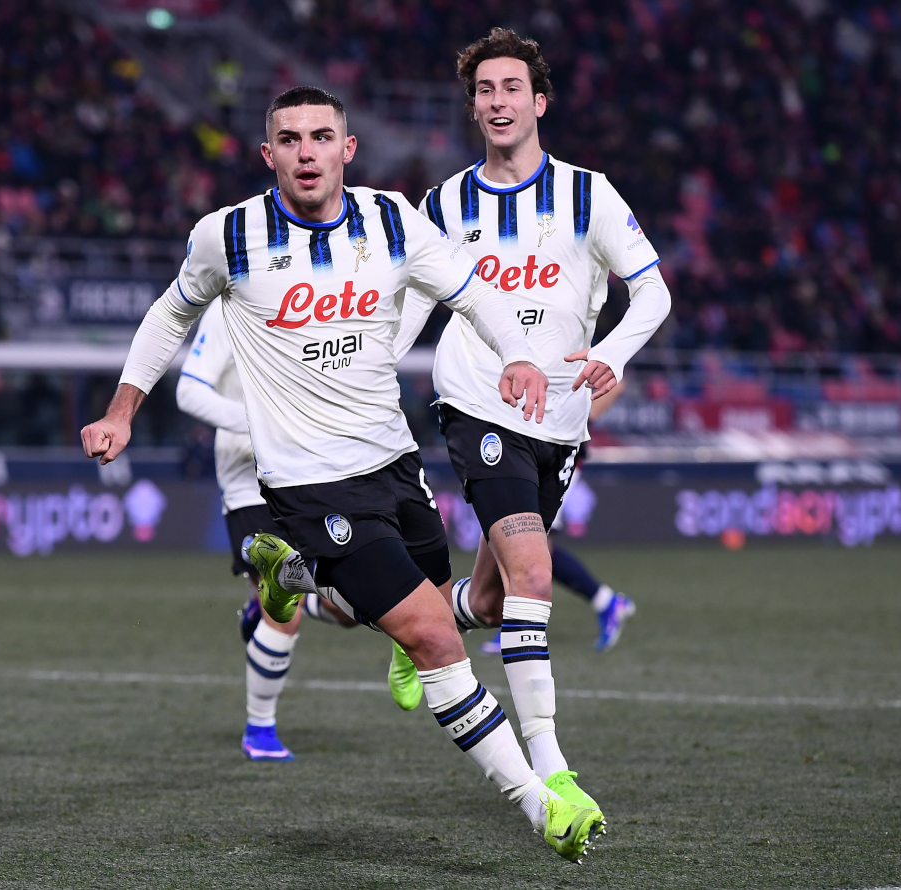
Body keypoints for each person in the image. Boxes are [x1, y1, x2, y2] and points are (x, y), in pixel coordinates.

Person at [82, 85, 605, 861]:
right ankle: (539, 803)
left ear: (346, 150)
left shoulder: (393, 220)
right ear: (269, 155)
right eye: (288, 139)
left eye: (320, 136)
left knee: (423, 598)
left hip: (395, 466)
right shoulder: (228, 236)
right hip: (307, 487)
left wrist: (518, 353)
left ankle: (288, 580)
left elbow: (471, 288)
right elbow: (169, 315)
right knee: (433, 635)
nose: (305, 151)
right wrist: (123, 408)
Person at [394, 29, 671, 815]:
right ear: (474, 105)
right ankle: (550, 768)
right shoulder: (444, 203)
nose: (498, 102)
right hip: (476, 405)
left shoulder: (588, 193)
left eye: (512, 88)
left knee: (489, 601)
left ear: (539, 101)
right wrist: (365, 377)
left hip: (561, 419)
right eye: (485, 91)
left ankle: (419, 623)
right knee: (536, 574)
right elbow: (408, 313)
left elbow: (653, 293)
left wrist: (613, 353)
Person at [176, 307, 371, 761]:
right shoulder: (229, 313)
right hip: (248, 483)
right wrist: (259, 420)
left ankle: (262, 605)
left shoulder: (309, 303)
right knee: (285, 616)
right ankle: (259, 729)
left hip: (309, 473)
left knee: (349, 609)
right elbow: (189, 392)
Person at [478, 382, 637, 655]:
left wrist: (580, 420)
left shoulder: (576, 345)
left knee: (520, 540)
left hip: (558, 455)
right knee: (534, 546)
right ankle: (607, 603)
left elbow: (617, 383)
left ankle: (517, 626)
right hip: (533, 449)